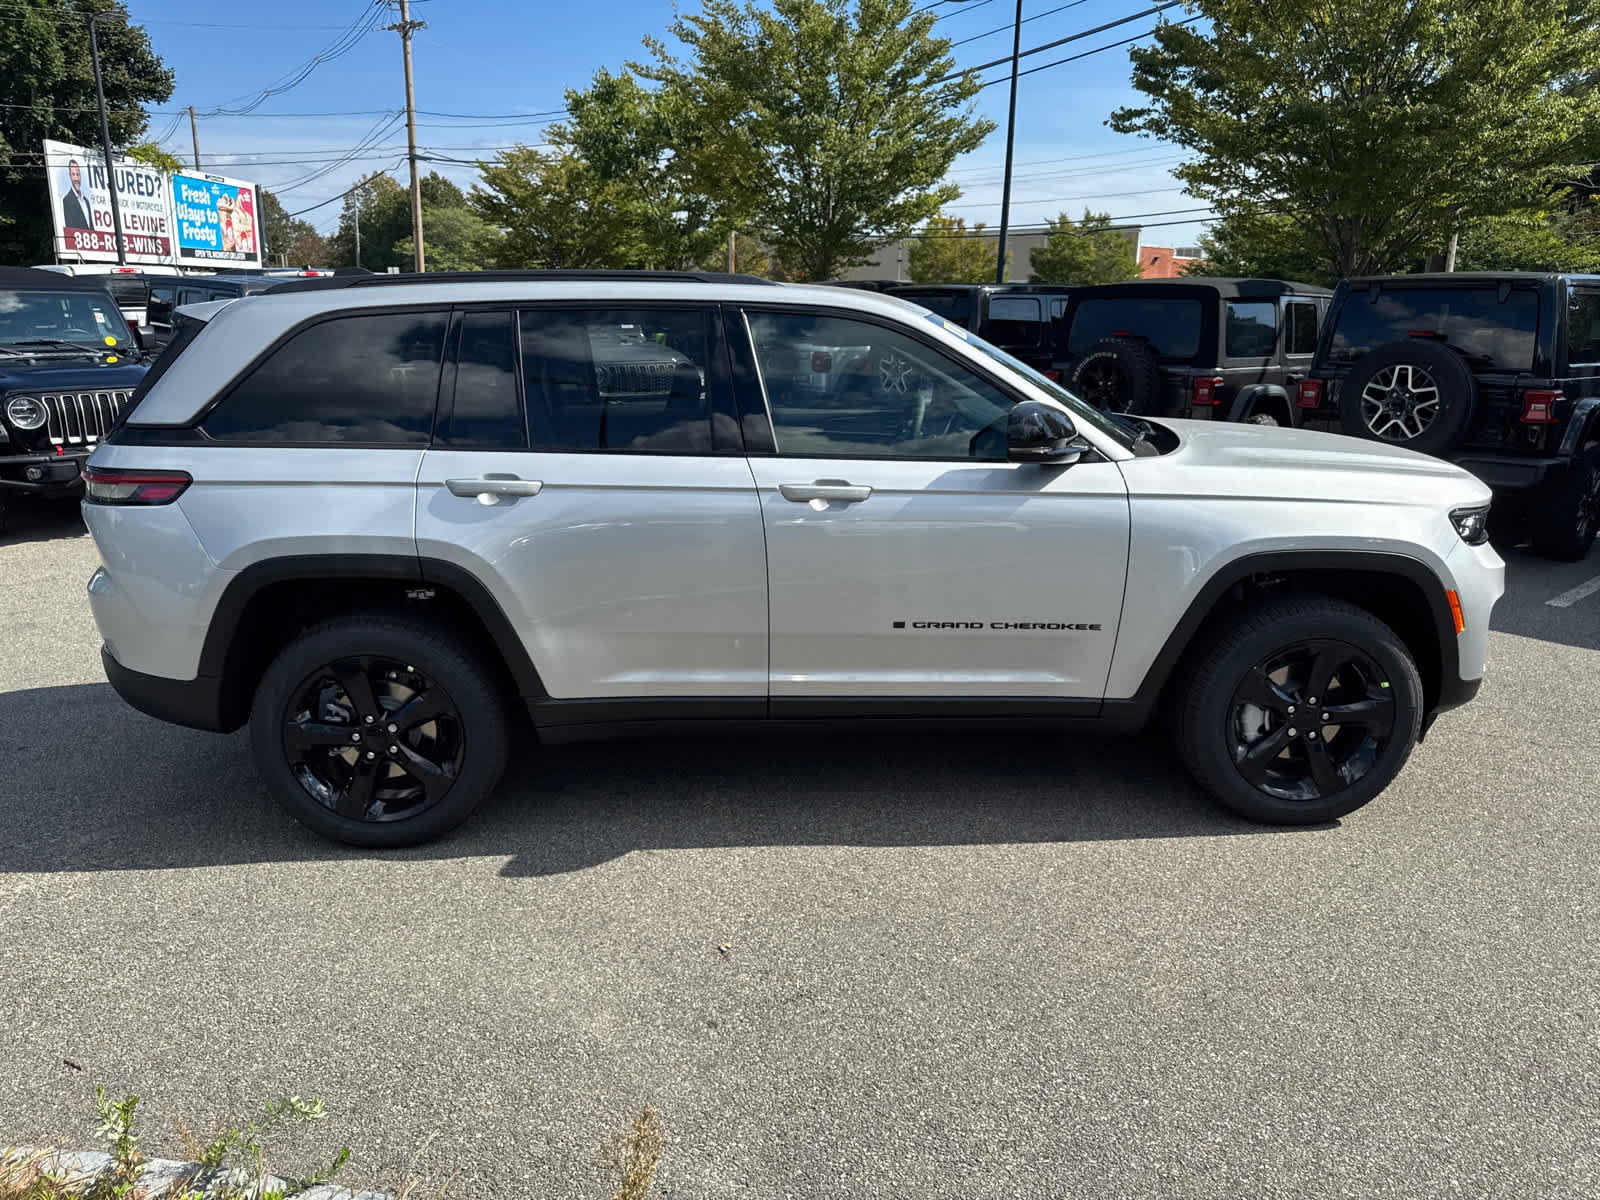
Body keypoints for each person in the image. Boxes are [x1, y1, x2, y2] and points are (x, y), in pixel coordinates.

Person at [61, 159, 91, 230]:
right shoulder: (67, 200)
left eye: (78, 174)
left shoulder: (86, 201)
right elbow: (70, 228)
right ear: (70, 176)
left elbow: (91, 227)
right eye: (73, 174)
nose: (76, 178)